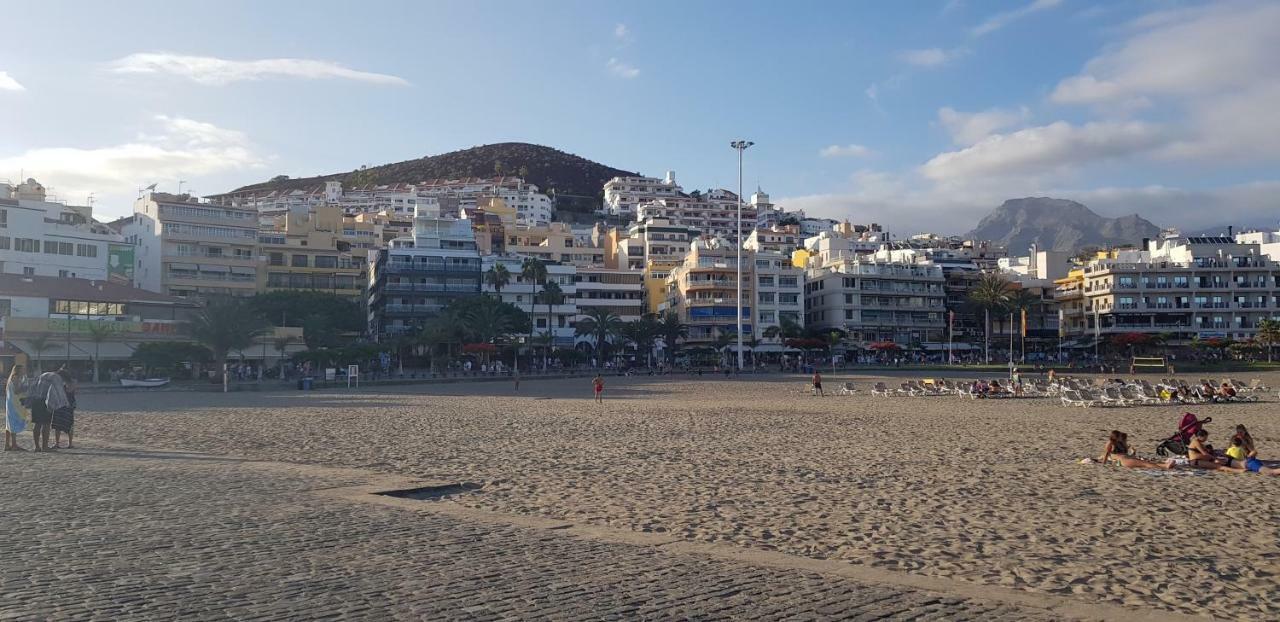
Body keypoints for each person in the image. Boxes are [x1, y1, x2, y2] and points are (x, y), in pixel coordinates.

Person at [30, 368, 70, 452]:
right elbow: (57, 392)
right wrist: (63, 403)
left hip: (35, 400)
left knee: (37, 424)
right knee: (46, 424)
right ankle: (45, 447)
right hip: (45, 401)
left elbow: (33, 385)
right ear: (63, 377)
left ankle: (37, 447)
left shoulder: (44, 374)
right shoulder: (57, 378)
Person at [1099, 430, 1175, 469]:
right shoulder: (1110, 443)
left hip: (1127, 458)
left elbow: (1126, 453)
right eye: (1119, 436)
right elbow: (1106, 454)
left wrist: (1133, 452)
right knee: (1144, 464)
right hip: (1122, 460)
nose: (1121, 438)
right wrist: (1104, 464)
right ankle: (1164, 466)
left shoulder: (1121, 443)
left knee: (1145, 462)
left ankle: (1164, 464)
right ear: (1116, 437)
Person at [4, 364, 31, 452]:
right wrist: (25, 387)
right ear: (18, 370)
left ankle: (7, 444)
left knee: (9, 424)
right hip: (14, 404)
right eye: (23, 369)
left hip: (11, 403)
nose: (24, 371)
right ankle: (14, 445)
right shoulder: (15, 377)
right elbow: (16, 391)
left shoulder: (12, 377)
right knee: (13, 423)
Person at [52, 370, 76, 449]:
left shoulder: (69, 383)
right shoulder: (60, 383)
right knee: (58, 425)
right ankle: (58, 443)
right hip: (61, 404)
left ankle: (69, 443)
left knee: (68, 424)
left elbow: (69, 390)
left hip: (66, 405)